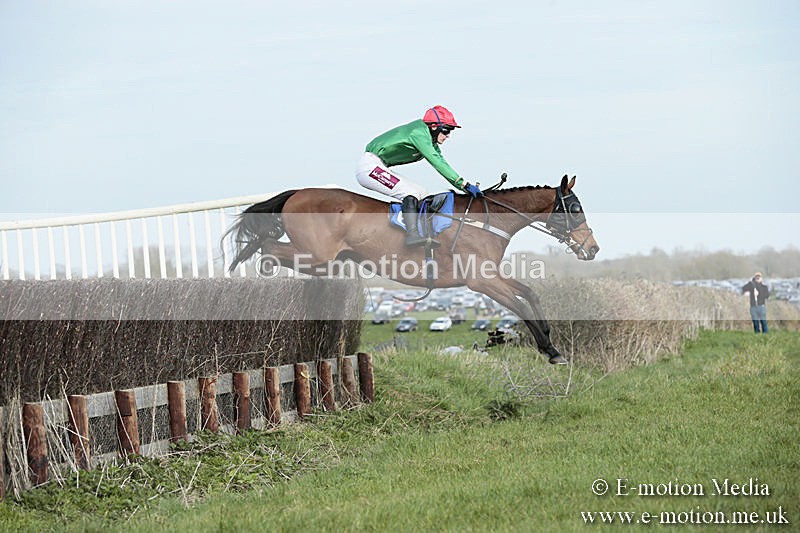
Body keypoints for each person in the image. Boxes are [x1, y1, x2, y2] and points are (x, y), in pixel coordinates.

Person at [355, 105, 483, 247]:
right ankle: (412, 235)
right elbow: (437, 163)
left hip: (378, 165)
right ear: (434, 126)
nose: (448, 136)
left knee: (422, 193)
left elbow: (441, 160)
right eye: (446, 131)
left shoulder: (428, 138)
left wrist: (463, 186)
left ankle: (419, 232)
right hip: (369, 167)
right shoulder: (419, 134)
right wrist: (464, 184)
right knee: (411, 192)